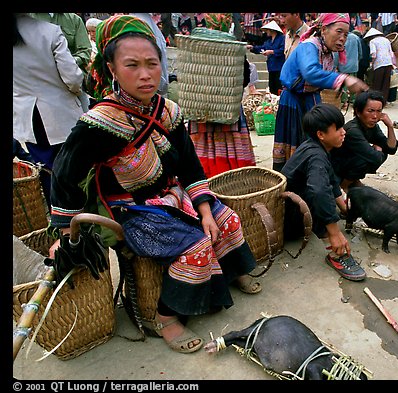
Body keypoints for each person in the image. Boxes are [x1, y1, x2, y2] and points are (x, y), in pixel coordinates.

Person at [48, 14, 262, 354]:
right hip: (131, 209)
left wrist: (205, 209)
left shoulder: (168, 111)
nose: (146, 74)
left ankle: (231, 271)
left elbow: (190, 165)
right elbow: (64, 174)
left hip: (173, 195)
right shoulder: (99, 123)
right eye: (132, 65)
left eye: (152, 63)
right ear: (112, 69)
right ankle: (166, 317)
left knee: (227, 220)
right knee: (196, 247)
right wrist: (63, 233)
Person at [271, 13, 369, 172]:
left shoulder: (328, 53)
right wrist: (345, 79)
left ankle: (314, 175)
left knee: (314, 140)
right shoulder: (309, 46)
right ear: (324, 30)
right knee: (297, 141)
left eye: (346, 34)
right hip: (293, 101)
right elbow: (310, 73)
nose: (343, 38)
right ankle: (290, 181)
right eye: (339, 32)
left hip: (311, 99)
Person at [281, 103, 366, 282]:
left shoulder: (316, 147)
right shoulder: (315, 156)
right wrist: (335, 233)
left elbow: (331, 180)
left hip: (293, 208)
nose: (344, 132)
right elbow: (319, 191)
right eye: (338, 128)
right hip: (287, 220)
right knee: (319, 197)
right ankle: (336, 253)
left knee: (324, 191)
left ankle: (332, 223)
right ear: (321, 134)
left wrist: (344, 208)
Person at [13, 13, 84, 206]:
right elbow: (73, 78)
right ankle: (76, 216)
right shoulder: (49, 31)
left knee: (46, 170)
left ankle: (57, 218)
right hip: (60, 114)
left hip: (27, 118)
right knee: (71, 169)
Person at [188, 13, 257, 178]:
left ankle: (206, 185)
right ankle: (233, 186)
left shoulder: (197, 50)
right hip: (229, 109)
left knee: (202, 155)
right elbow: (245, 78)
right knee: (233, 158)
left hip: (201, 110)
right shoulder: (234, 50)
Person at [331, 90, 398, 193]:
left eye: (379, 111)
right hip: (335, 166)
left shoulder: (372, 126)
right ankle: (343, 186)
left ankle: (353, 180)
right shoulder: (353, 130)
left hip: (348, 162)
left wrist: (390, 127)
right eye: (370, 111)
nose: (375, 116)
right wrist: (378, 151)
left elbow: (391, 149)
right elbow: (375, 158)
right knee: (365, 160)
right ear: (358, 112)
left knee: (380, 153)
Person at [246, 20, 285, 95]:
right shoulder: (268, 41)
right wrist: (252, 47)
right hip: (271, 67)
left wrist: (271, 52)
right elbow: (262, 48)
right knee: (272, 88)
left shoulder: (282, 39)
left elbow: (282, 50)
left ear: (272, 30)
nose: (266, 32)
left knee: (279, 87)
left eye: (267, 30)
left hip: (279, 66)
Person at [333, 23, 363, 110]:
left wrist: (335, 65)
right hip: (354, 65)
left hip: (343, 65)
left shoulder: (339, 38)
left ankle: (344, 102)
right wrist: (358, 60)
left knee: (344, 85)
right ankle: (353, 101)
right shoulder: (356, 38)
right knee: (353, 83)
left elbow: (336, 53)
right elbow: (360, 52)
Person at [364, 28, 396, 106]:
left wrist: (372, 64)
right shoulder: (386, 40)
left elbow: (374, 54)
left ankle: (375, 102)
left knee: (377, 84)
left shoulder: (373, 41)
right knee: (386, 84)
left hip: (379, 64)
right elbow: (391, 53)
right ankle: (383, 102)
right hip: (388, 63)